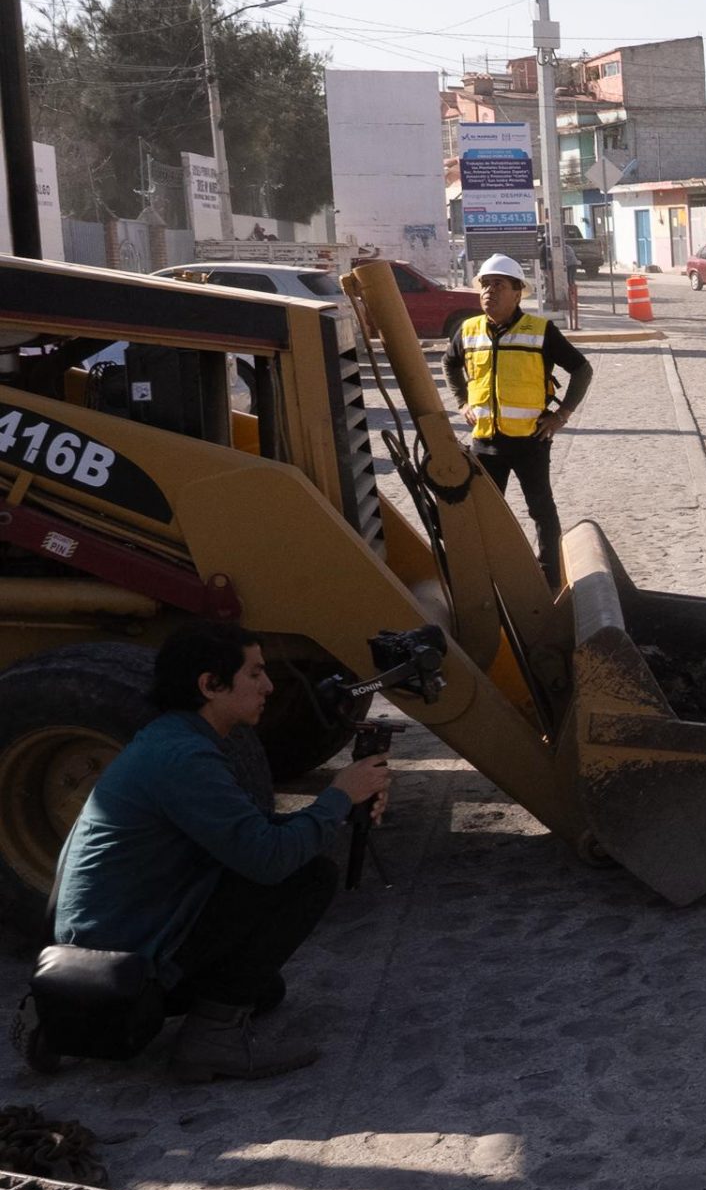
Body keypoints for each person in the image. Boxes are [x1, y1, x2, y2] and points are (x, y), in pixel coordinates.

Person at [48, 622, 392, 1082]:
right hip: (120, 959)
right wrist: (336, 798)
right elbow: (268, 859)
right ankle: (208, 1042)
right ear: (210, 685)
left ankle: (65, 1016)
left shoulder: (176, 738)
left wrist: (343, 806)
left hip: (114, 936)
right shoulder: (183, 758)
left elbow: (246, 833)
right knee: (307, 877)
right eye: (254, 674)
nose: (269, 686)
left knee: (264, 991)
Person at [442, 252, 593, 588]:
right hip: (485, 442)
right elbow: (449, 364)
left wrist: (562, 415)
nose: (488, 291)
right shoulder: (468, 331)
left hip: (530, 441)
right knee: (483, 515)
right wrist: (462, 401)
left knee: (541, 510)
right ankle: (489, 576)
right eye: (484, 284)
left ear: (517, 292)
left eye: (498, 284)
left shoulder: (540, 331)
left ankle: (549, 576)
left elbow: (582, 369)